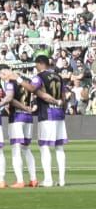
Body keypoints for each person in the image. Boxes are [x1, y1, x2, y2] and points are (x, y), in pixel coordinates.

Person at [24, 52, 70, 187]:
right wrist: (63, 110)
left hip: (47, 114)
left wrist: (20, 80)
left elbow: (33, 88)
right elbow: (63, 97)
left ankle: (48, 179)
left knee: (44, 146)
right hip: (59, 114)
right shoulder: (58, 77)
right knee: (59, 147)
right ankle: (62, 180)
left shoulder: (39, 76)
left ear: (39, 64)